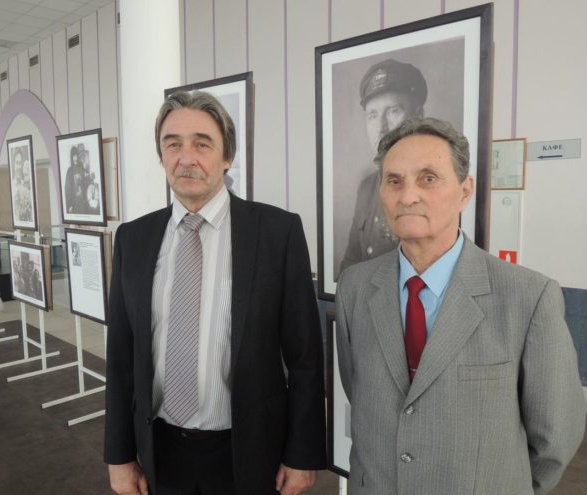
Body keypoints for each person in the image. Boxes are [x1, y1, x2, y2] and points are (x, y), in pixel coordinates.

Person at [335, 117, 586, 494]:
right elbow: (359, 390)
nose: (408, 196)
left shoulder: (528, 297)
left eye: (428, 178)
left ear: (465, 191)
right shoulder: (355, 287)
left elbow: (554, 439)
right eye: (394, 181)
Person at [104, 91, 326, 495]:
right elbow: (120, 356)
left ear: (227, 157)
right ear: (161, 156)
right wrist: (119, 455)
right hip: (160, 449)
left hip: (249, 449)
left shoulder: (277, 233)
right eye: (173, 144)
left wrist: (302, 453)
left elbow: (305, 356)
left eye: (202, 144)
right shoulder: (133, 239)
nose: (185, 158)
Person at [339, 59, 427, 274]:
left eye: (393, 111)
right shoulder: (367, 187)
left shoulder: (434, 186)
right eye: (373, 115)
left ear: (418, 116)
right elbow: (350, 264)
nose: (381, 127)